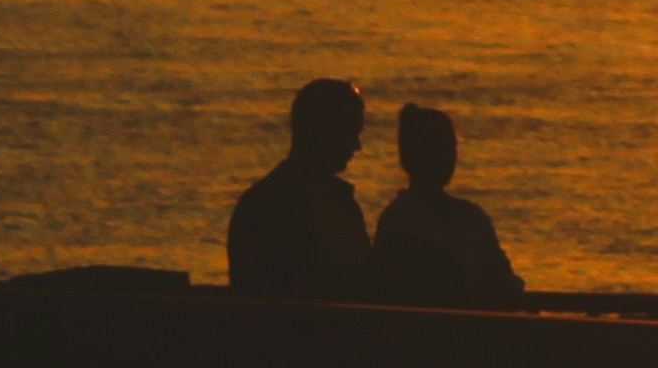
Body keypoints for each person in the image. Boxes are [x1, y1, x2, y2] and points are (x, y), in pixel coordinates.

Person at [362, 100, 526, 308]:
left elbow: (504, 277)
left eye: (450, 146)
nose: (447, 157)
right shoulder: (400, 220)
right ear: (410, 155)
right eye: (436, 147)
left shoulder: (472, 217)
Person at [224, 77, 372, 297]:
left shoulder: (341, 204)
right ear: (322, 131)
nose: (356, 145)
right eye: (350, 132)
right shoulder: (267, 208)